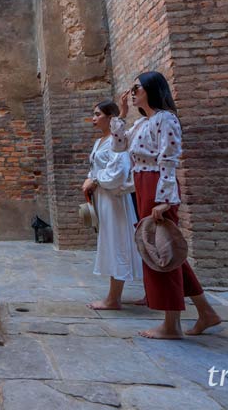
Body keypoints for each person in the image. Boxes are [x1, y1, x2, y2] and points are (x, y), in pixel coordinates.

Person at [111, 71, 222, 339]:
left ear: (151, 89)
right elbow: (118, 146)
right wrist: (122, 114)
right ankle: (206, 313)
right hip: (142, 184)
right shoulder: (140, 124)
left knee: (159, 250)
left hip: (157, 185)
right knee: (162, 249)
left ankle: (171, 325)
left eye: (137, 87)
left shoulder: (166, 119)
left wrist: (164, 200)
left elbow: (169, 160)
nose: (133, 91)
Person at [83, 100, 143, 310]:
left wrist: (96, 180)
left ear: (111, 118)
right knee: (109, 242)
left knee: (117, 242)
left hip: (114, 199)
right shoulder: (100, 142)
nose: (93, 118)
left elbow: (118, 172)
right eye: (94, 113)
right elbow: (97, 167)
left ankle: (114, 298)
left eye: (98, 114)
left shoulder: (117, 142)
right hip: (102, 197)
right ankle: (116, 295)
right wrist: (90, 180)